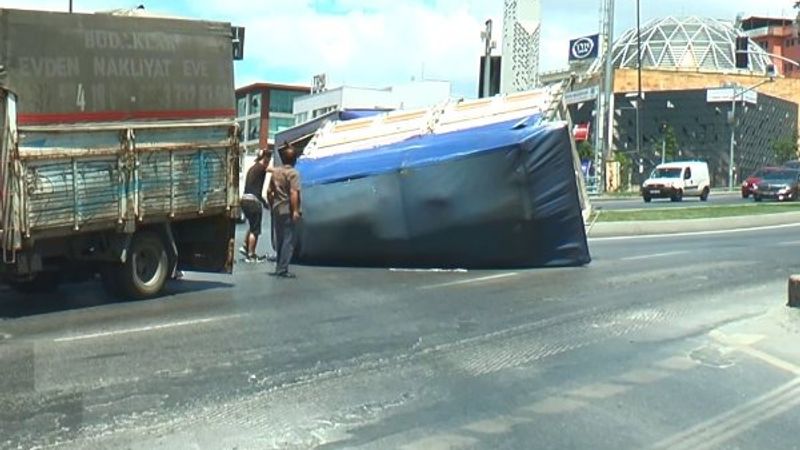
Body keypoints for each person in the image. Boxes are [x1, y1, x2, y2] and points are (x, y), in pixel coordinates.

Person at [267, 144, 302, 278]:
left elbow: (269, 191)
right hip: (287, 208)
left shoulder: (276, 172)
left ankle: (278, 266)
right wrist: (295, 211)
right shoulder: (293, 174)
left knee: (280, 238)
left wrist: (272, 205)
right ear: (294, 160)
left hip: (277, 208)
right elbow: (294, 192)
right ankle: (283, 269)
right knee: (289, 239)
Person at [240, 148, 271, 263]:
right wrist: (264, 202)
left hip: (244, 199)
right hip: (253, 201)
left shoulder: (252, 168)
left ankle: (245, 246)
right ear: (265, 158)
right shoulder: (261, 168)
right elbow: (258, 191)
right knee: (255, 230)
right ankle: (251, 254)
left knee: (253, 225)